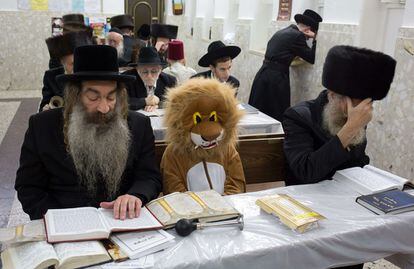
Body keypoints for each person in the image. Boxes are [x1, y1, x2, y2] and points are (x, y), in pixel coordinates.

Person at [15, 45, 162, 220]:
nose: (104, 107)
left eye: (111, 97)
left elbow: (149, 177)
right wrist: (59, 219)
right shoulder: (42, 126)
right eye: (93, 97)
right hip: (64, 224)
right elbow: (29, 189)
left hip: (121, 222)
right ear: (75, 95)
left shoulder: (139, 125)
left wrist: (136, 196)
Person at [282, 45, 396, 188]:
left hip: (345, 194)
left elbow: (358, 162)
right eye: (359, 103)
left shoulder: (357, 113)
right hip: (305, 198)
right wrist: (350, 129)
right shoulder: (298, 116)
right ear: (333, 96)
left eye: (368, 103)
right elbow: (305, 172)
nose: (364, 110)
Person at [248, 9, 323, 121]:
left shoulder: (284, 31)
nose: (308, 39)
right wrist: (316, 39)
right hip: (275, 80)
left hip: (263, 74)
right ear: (307, 30)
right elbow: (312, 58)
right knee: (275, 114)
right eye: (309, 36)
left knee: (260, 112)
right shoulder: (298, 36)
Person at [40, 30, 93, 112]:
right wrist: (45, 110)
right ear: (63, 63)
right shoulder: (51, 77)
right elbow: (43, 106)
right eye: (73, 63)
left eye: (82, 62)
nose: (79, 67)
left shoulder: (95, 74)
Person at [123, 46, 176, 111]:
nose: (149, 76)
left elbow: (175, 102)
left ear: (160, 70)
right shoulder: (127, 79)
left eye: (154, 71)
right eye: (145, 72)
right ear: (137, 70)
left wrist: (159, 104)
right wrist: (145, 101)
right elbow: (121, 102)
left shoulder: (170, 81)